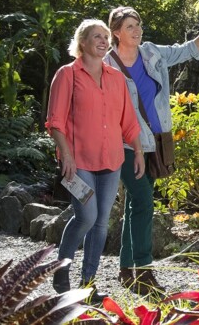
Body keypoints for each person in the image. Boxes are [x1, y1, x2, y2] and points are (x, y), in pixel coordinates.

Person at [105, 6, 199, 296]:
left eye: (138, 24)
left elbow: (188, 49)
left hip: (156, 142)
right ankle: (144, 273)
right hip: (124, 145)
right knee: (144, 202)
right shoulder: (106, 64)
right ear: (116, 32)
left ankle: (125, 269)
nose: (137, 30)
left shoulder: (151, 53)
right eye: (130, 26)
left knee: (137, 204)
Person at [46, 19, 144, 303]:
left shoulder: (116, 78)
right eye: (96, 37)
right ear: (82, 43)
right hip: (79, 163)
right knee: (86, 216)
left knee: (101, 223)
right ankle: (60, 269)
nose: (103, 41)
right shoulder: (67, 75)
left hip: (111, 160)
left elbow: (129, 121)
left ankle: (88, 283)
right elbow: (55, 121)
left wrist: (137, 152)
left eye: (105, 36)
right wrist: (65, 155)